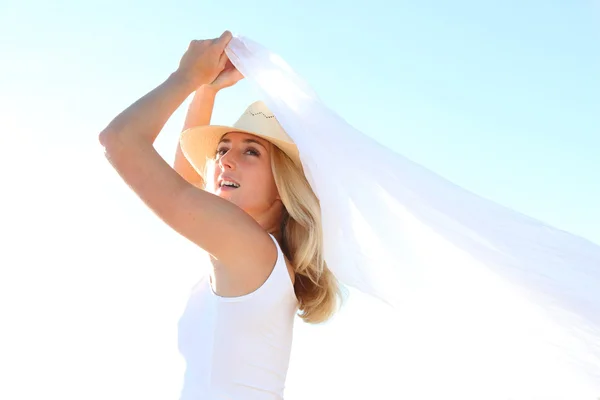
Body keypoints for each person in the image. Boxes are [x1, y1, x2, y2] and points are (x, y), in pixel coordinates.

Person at [99, 31, 340, 399]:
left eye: (251, 152)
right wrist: (207, 91)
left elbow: (120, 140)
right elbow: (184, 184)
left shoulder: (250, 248)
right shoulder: (255, 253)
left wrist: (188, 75)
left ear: (283, 185)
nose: (225, 159)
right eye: (223, 149)